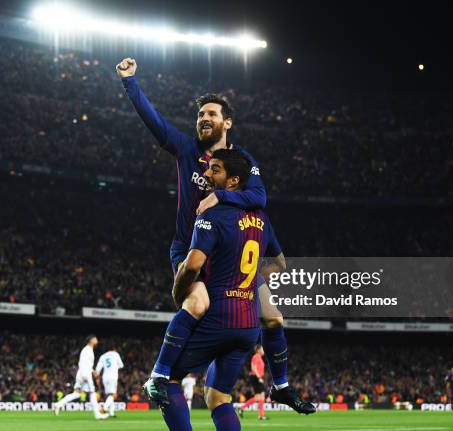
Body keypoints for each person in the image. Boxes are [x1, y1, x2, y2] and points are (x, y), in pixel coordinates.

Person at [116, 58, 310, 413]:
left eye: (211, 114)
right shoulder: (186, 150)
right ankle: (159, 377)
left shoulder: (241, 161)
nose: (204, 118)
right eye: (200, 114)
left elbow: (260, 199)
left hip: (229, 257)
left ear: (227, 122)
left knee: (274, 316)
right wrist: (130, 82)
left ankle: (281, 386)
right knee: (198, 303)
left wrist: (219, 195)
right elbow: (154, 123)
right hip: (190, 247)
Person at [158, 150, 313, 431]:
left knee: (166, 380)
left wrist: (179, 291)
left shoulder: (212, 213)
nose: (207, 174)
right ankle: (282, 384)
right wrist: (249, 278)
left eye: (215, 170)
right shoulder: (262, 219)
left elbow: (193, 264)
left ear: (232, 181)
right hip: (248, 328)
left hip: (219, 316)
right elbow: (280, 264)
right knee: (218, 397)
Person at [53, 335, 108, 420]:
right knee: (92, 393)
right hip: (84, 374)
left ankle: (58, 405)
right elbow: (82, 363)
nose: (97, 340)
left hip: (83, 373)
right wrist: (85, 375)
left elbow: (87, 364)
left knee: (77, 393)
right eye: (95, 338)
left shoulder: (88, 350)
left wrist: (93, 371)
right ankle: (97, 415)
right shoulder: (87, 350)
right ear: (91, 340)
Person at [238, 345, 268, 420]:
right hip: (255, 377)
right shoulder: (256, 357)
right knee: (261, 396)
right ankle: (260, 416)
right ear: (258, 350)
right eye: (262, 349)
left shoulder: (259, 357)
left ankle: (242, 408)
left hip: (257, 377)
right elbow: (253, 367)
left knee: (260, 397)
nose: (263, 350)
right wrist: (259, 377)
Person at [95, 348, 124, 417]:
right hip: (113, 376)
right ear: (114, 349)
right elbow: (121, 365)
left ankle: (111, 413)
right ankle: (104, 408)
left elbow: (97, 370)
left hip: (105, 377)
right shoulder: (115, 354)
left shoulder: (103, 356)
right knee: (113, 395)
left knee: (110, 395)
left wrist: (97, 378)